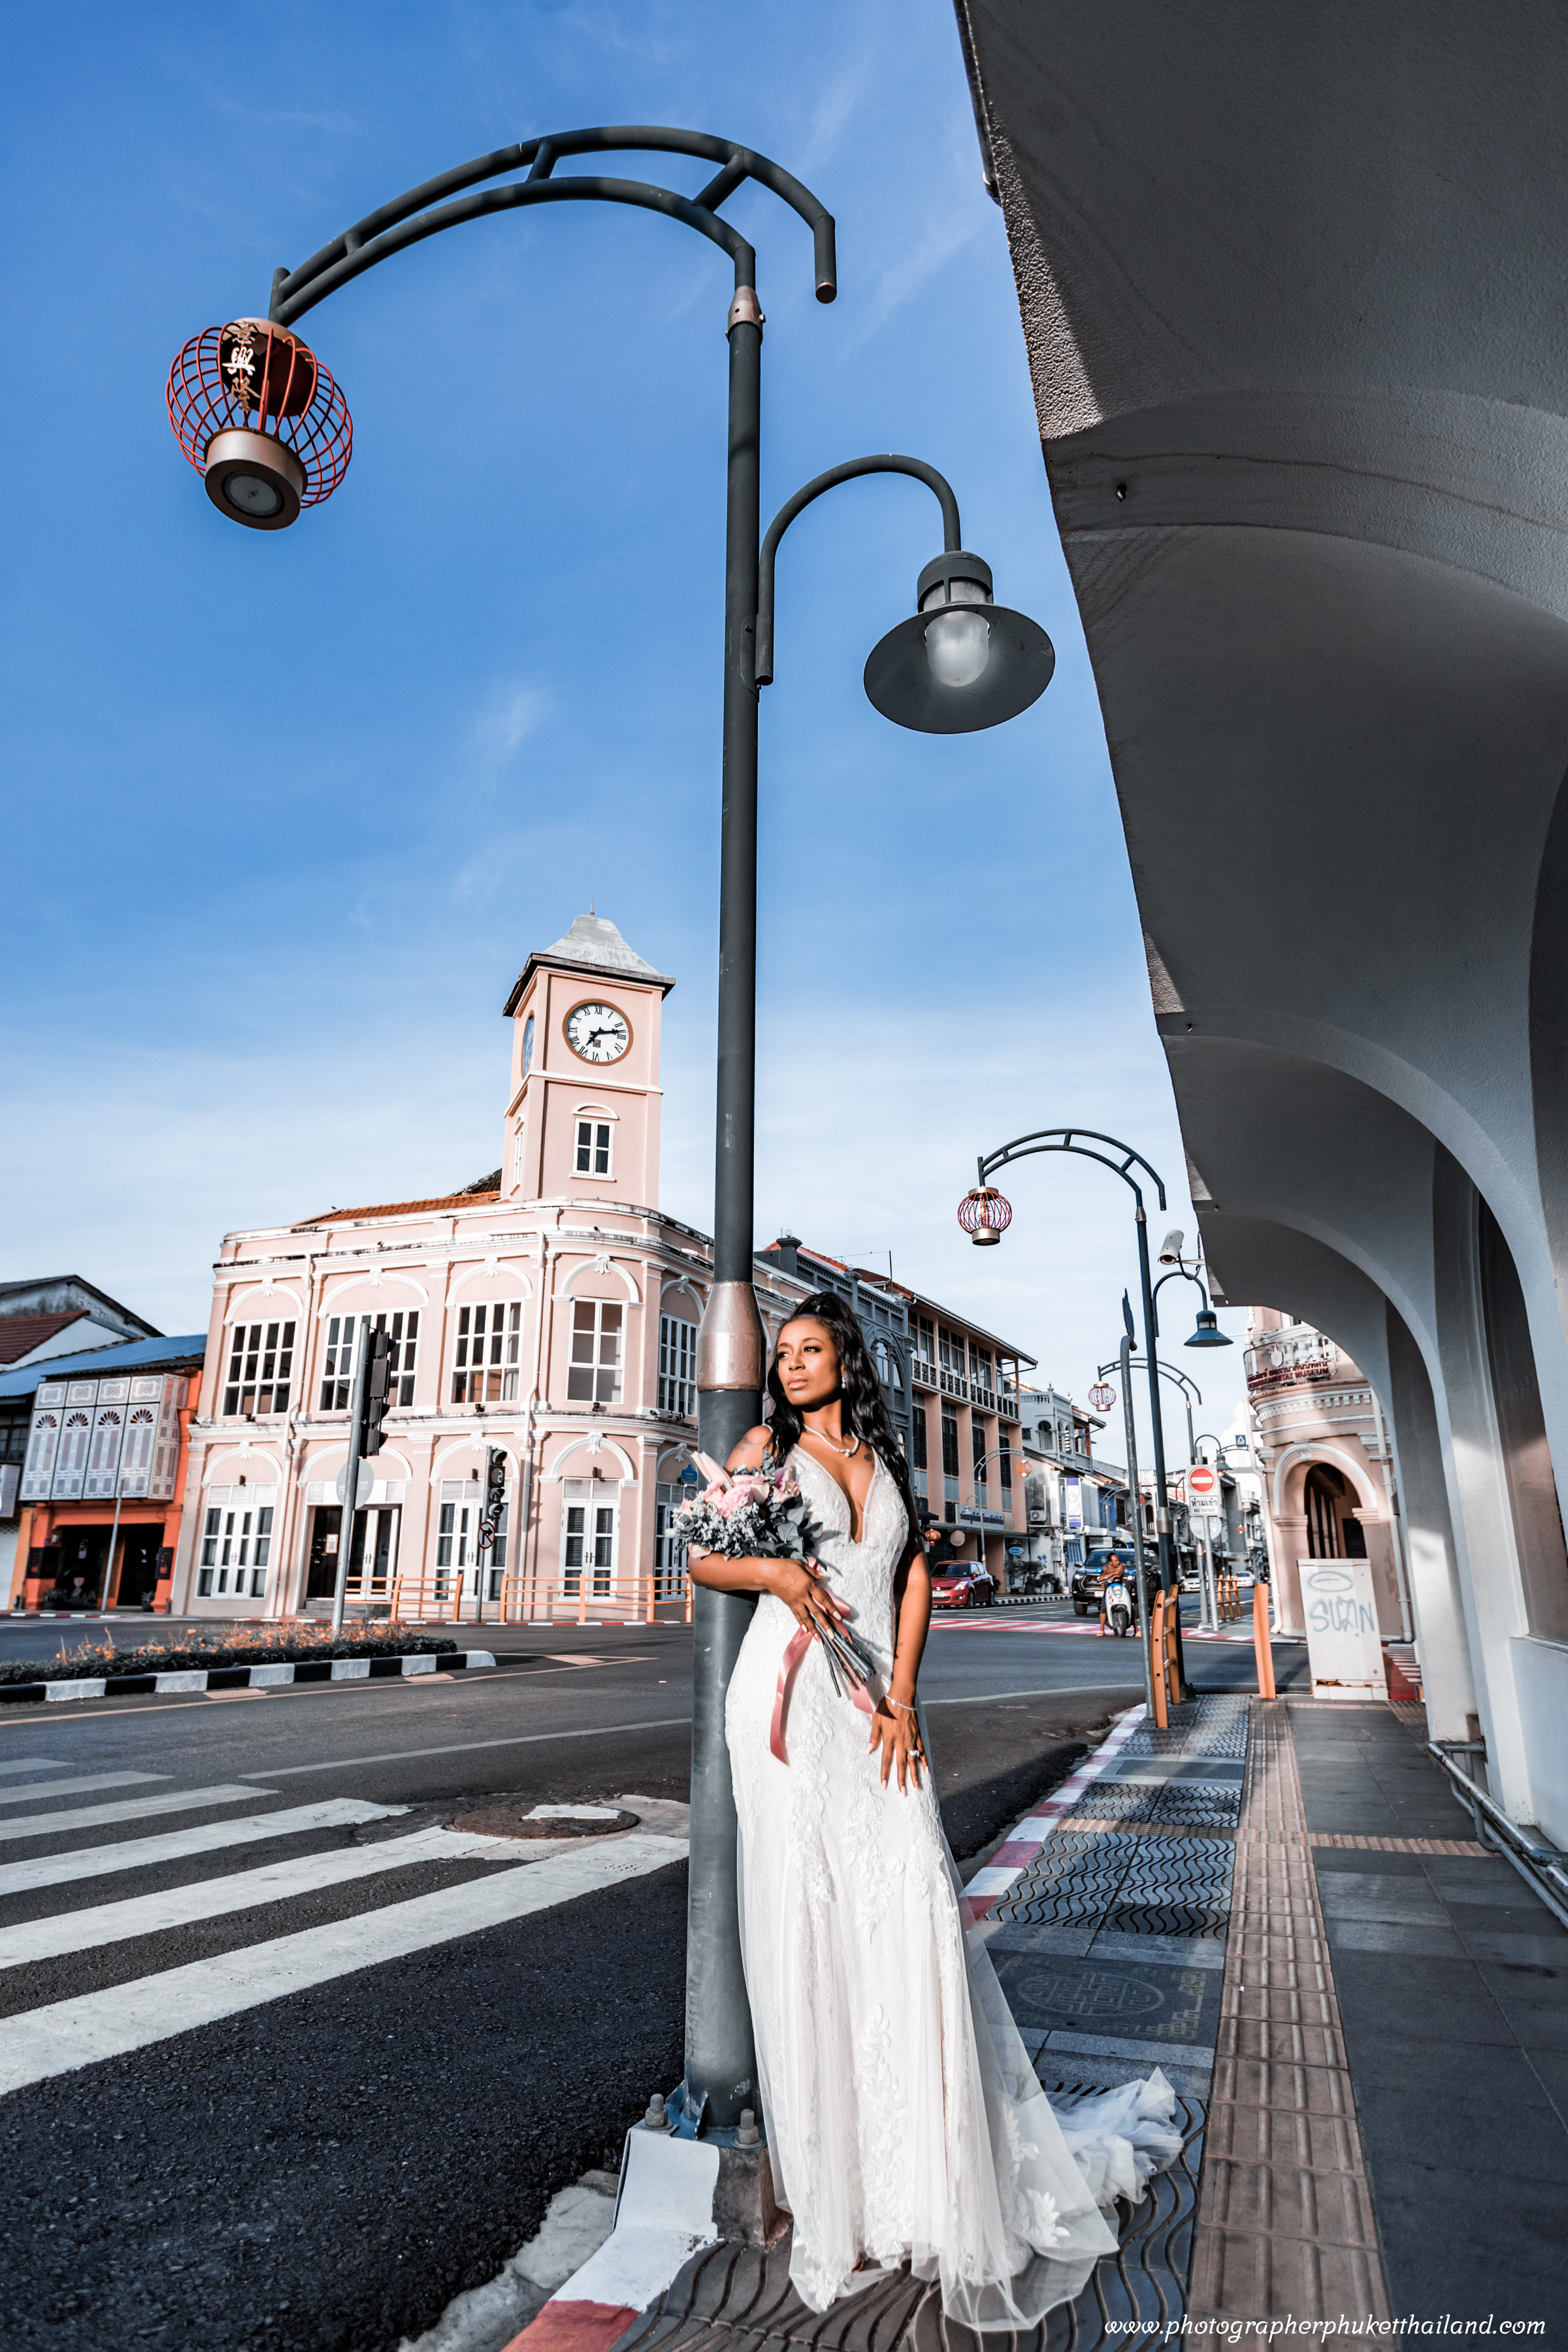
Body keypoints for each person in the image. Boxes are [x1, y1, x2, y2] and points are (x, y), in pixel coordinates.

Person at [687, 1292, 1179, 2327]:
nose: (794, 1364)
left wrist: (905, 1695)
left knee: (909, 1908)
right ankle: (846, 2199)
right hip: (788, 1707)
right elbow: (704, 1556)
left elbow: (910, 1575)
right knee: (813, 1922)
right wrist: (777, 1570)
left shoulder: (883, 1453)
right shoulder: (763, 1445)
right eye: (784, 1352)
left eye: (813, 1349)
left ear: (846, 1360)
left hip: (874, 1699)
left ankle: (928, 2174)